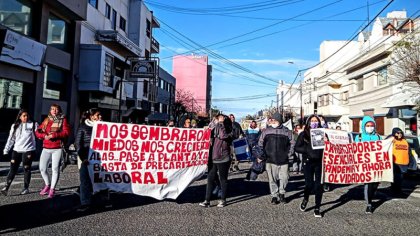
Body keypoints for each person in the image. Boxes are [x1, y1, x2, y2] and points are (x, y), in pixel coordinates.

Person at [35, 104, 71, 198]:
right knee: (42, 168)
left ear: (59, 110)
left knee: (55, 169)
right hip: (46, 147)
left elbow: (66, 132)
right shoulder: (47, 119)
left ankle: (52, 189)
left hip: (57, 148)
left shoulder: (63, 119)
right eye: (52, 109)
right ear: (50, 111)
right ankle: (47, 185)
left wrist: (54, 135)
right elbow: (38, 131)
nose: (54, 110)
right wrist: (43, 136)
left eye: (56, 109)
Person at [258, 112, 294, 205]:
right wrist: (262, 155)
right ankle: (274, 195)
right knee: (272, 179)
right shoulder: (266, 131)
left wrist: (288, 154)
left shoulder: (287, 131)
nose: (272, 121)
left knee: (285, 177)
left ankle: (282, 193)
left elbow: (292, 144)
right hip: (270, 159)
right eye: (271, 120)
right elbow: (260, 144)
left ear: (279, 120)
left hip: (284, 159)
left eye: (274, 120)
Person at [199, 114, 233, 208]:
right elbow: (205, 135)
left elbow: (222, 136)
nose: (217, 120)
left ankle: (223, 200)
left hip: (223, 157)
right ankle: (207, 200)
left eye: (220, 118)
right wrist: (208, 127)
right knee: (210, 179)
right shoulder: (214, 128)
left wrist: (220, 124)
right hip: (212, 157)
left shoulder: (227, 129)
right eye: (217, 119)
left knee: (223, 179)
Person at [1, 109, 38, 196]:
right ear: (20, 117)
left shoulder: (33, 124)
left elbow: (39, 135)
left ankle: (26, 188)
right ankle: (6, 187)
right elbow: (11, 139)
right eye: (24, 116)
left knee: (26, 169)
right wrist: (6, 150)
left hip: (28, 150)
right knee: (13, 169)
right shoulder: (15, 126)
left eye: (27, 115)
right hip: (16, 150)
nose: (26, 117)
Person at [294, 115, 324, 217]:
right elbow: (297, 148)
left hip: (320, 162)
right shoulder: (304, 134)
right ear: (308, 123)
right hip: (308, 162)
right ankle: (305, 198)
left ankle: (317, 207)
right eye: (312, 121)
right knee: (309, 185)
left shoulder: (323, 133)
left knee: (319, 186)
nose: (314, 122)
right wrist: (307, 150)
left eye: (316, 121)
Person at [75, 108, 102, 211]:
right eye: (98, 115)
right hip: (86, 159)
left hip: (100, 160)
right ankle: (85, 202)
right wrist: (83, 158)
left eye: (100, 115)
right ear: (91, 117)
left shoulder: (104, 127)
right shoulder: (83, 127)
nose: (100, 117)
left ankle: (103, 200)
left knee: (101, 180)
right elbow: (78, 144)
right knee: (85, 181)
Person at [354, 115, 381, 214]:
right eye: (368, 125)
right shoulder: (359, 137)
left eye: (371, 125)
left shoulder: (378, 137)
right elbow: (354, 150)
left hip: (375, 164)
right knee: (369, 184)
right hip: (364, 164)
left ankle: (370, 196)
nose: (370, 127)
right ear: (364, 126)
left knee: (375, 185)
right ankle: (369, 203)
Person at [388, 128, 410, 195]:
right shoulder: (392, 140)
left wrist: (411, 161)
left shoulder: (405, 141)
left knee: (401, 178)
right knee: (396, 178)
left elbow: (409, 151)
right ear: (394, 133)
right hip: (395, 163)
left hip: (404, 163)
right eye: (397, 133)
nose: (399, 134)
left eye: (400, 133)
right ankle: (396, 190)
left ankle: (397, 190)